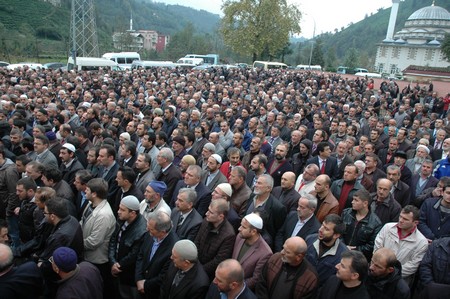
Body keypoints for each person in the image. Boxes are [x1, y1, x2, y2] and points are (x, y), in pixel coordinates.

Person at [374, 205, 429, 285]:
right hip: (377, 274)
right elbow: (377, 246)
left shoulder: (421, 242)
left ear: (415, 223)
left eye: (405, 219)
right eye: (400, 217)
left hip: (399, 281)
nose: (401, 220)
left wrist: (391, 273)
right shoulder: (387, 227)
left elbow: (412, 266)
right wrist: (380, 268)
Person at [108, 196, 147, 299]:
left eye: (122, 210)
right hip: (116, 266)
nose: (118, 212)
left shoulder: (142, 230)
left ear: (132, 213)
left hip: (127, 275)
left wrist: (118, 266)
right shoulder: (122, 219)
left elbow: (133, 255)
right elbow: (113, 239)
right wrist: (112, 261)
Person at [135, 211, 179, 298]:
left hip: (154, 292)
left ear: (162, 232)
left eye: (151, 229)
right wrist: (138, 278)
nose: (147, 230)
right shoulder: (150, 233)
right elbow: (141, 255)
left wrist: (145, 285)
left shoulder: (174, 248)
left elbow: (165, 275)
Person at [194, 199, 236, 280]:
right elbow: (197, 241)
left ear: (221, 216)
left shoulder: (229, 235)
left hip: (207, 275)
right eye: (208, 210)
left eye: (211, 212)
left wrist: (200, 270)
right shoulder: (206, 221)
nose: (206, 214)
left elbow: (218, 261)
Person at [232, 213, 272, 290]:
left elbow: (255, 279)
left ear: (253, 231)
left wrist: (236, 287)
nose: (239, 229)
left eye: (243, 227)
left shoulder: (265, 253)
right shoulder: (240, 237)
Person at [305, 214, 348, 286]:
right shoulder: (310, 239)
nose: (320, 230)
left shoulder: (342, 255)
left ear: (336, 235)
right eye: (322, 225)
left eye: (326, 229)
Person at [246, 174, 287, 246]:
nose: (255, 185)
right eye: (256, 182)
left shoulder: (277, 208)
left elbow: (277, 232)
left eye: (259, 183)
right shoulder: (252, 196)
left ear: (268, 188)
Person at [342, 189, 382, 260]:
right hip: (341, 251)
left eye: (356, 200)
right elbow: (338, 232)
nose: (352, 202)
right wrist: (343, 246)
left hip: (358, 258)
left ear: (365, 203)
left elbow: (371, 245)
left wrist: (356, 249)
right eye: (353, 199)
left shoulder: (375, 223)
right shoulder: (346, 213)